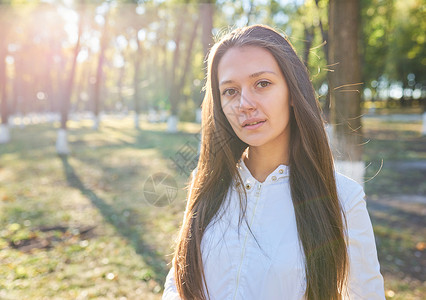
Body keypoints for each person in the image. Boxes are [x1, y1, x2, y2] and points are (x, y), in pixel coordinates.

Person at [163, 24, 385, 300]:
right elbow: (177, 283)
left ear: (292, 92)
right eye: (230, 91)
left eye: (262, 84)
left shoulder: (343, 199)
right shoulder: (206, 182)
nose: (244, 103)